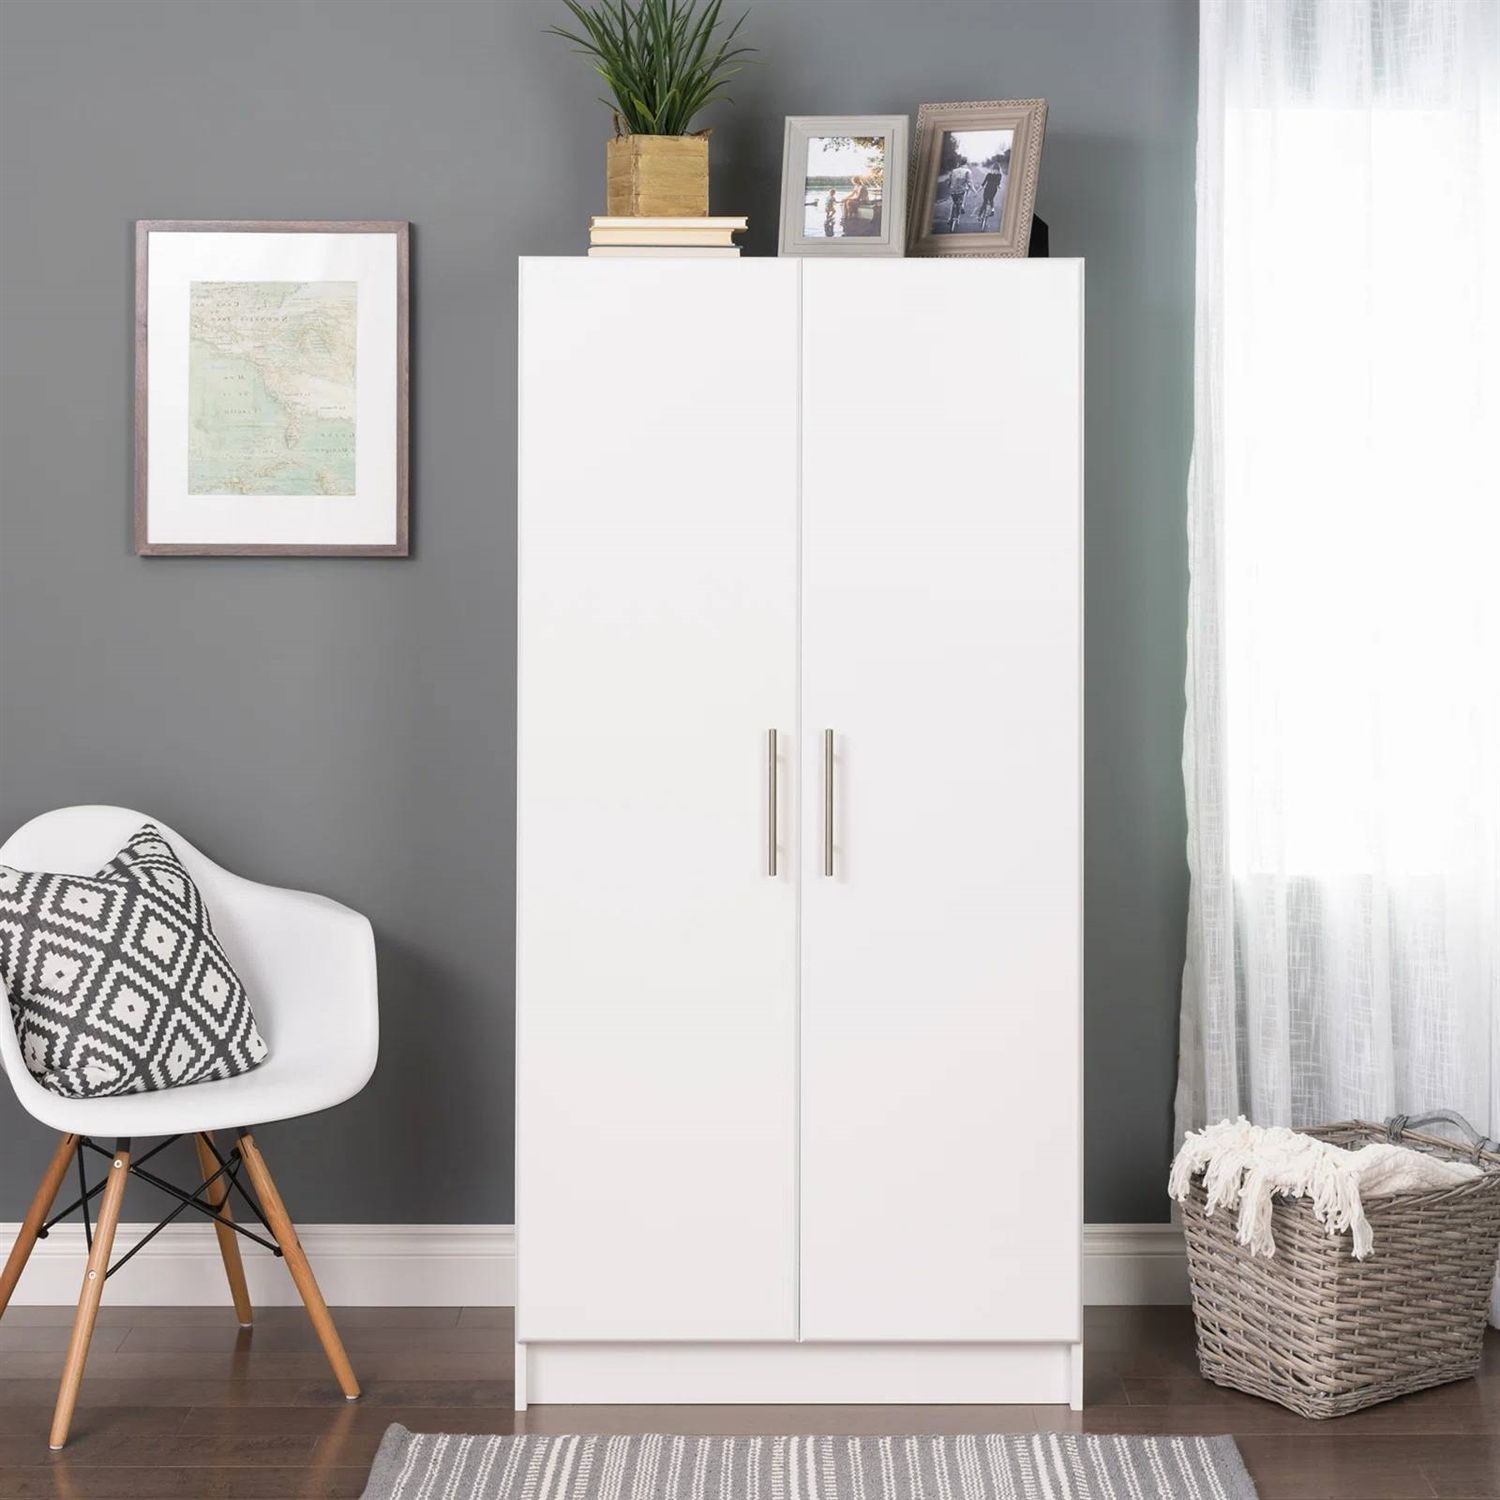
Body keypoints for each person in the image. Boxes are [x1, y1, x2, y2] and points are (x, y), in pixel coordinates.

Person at [946, 163, 971, 231]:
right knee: (962, 198)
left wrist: (949, 187)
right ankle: (959, 212)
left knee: (953, 203)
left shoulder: (954, 172)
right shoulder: (966, 172)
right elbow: (969, 183)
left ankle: (949, 218)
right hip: (961, 190)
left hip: (953, 190)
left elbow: (950, 181)